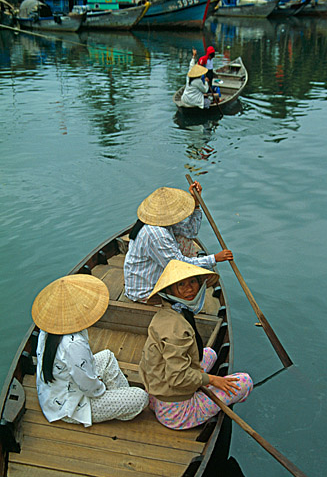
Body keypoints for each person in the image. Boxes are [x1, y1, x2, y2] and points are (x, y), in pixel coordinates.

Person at [139, 260, 253, 430]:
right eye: (181, 285)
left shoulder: (168, 313)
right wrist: (213, 380)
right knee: (245, 382)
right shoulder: (176, 329)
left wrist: (200, 378)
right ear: (169, 291)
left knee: (209, 354)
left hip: (156, 391)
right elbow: (177, 378)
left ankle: (197, 384)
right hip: (175, 411)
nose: (189, 289)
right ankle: (199, 397)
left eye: (193, 282)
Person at [32, 274, 149, 428]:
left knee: (107, 356)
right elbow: (89, 387)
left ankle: (119, 398)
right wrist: (101, 389)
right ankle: (120, 402)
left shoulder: (49, 329)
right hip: (70, 407)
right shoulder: (74, 344)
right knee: (140, 398)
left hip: (56, 392)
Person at [123, 182, 233, 302]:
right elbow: (179, 264)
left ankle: (186, 281)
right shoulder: (156, 234)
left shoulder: (163, 221)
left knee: (185, 240)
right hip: (146, 290)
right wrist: (214, 258)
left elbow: (190, 232)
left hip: (156, 274)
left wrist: (196, 203)